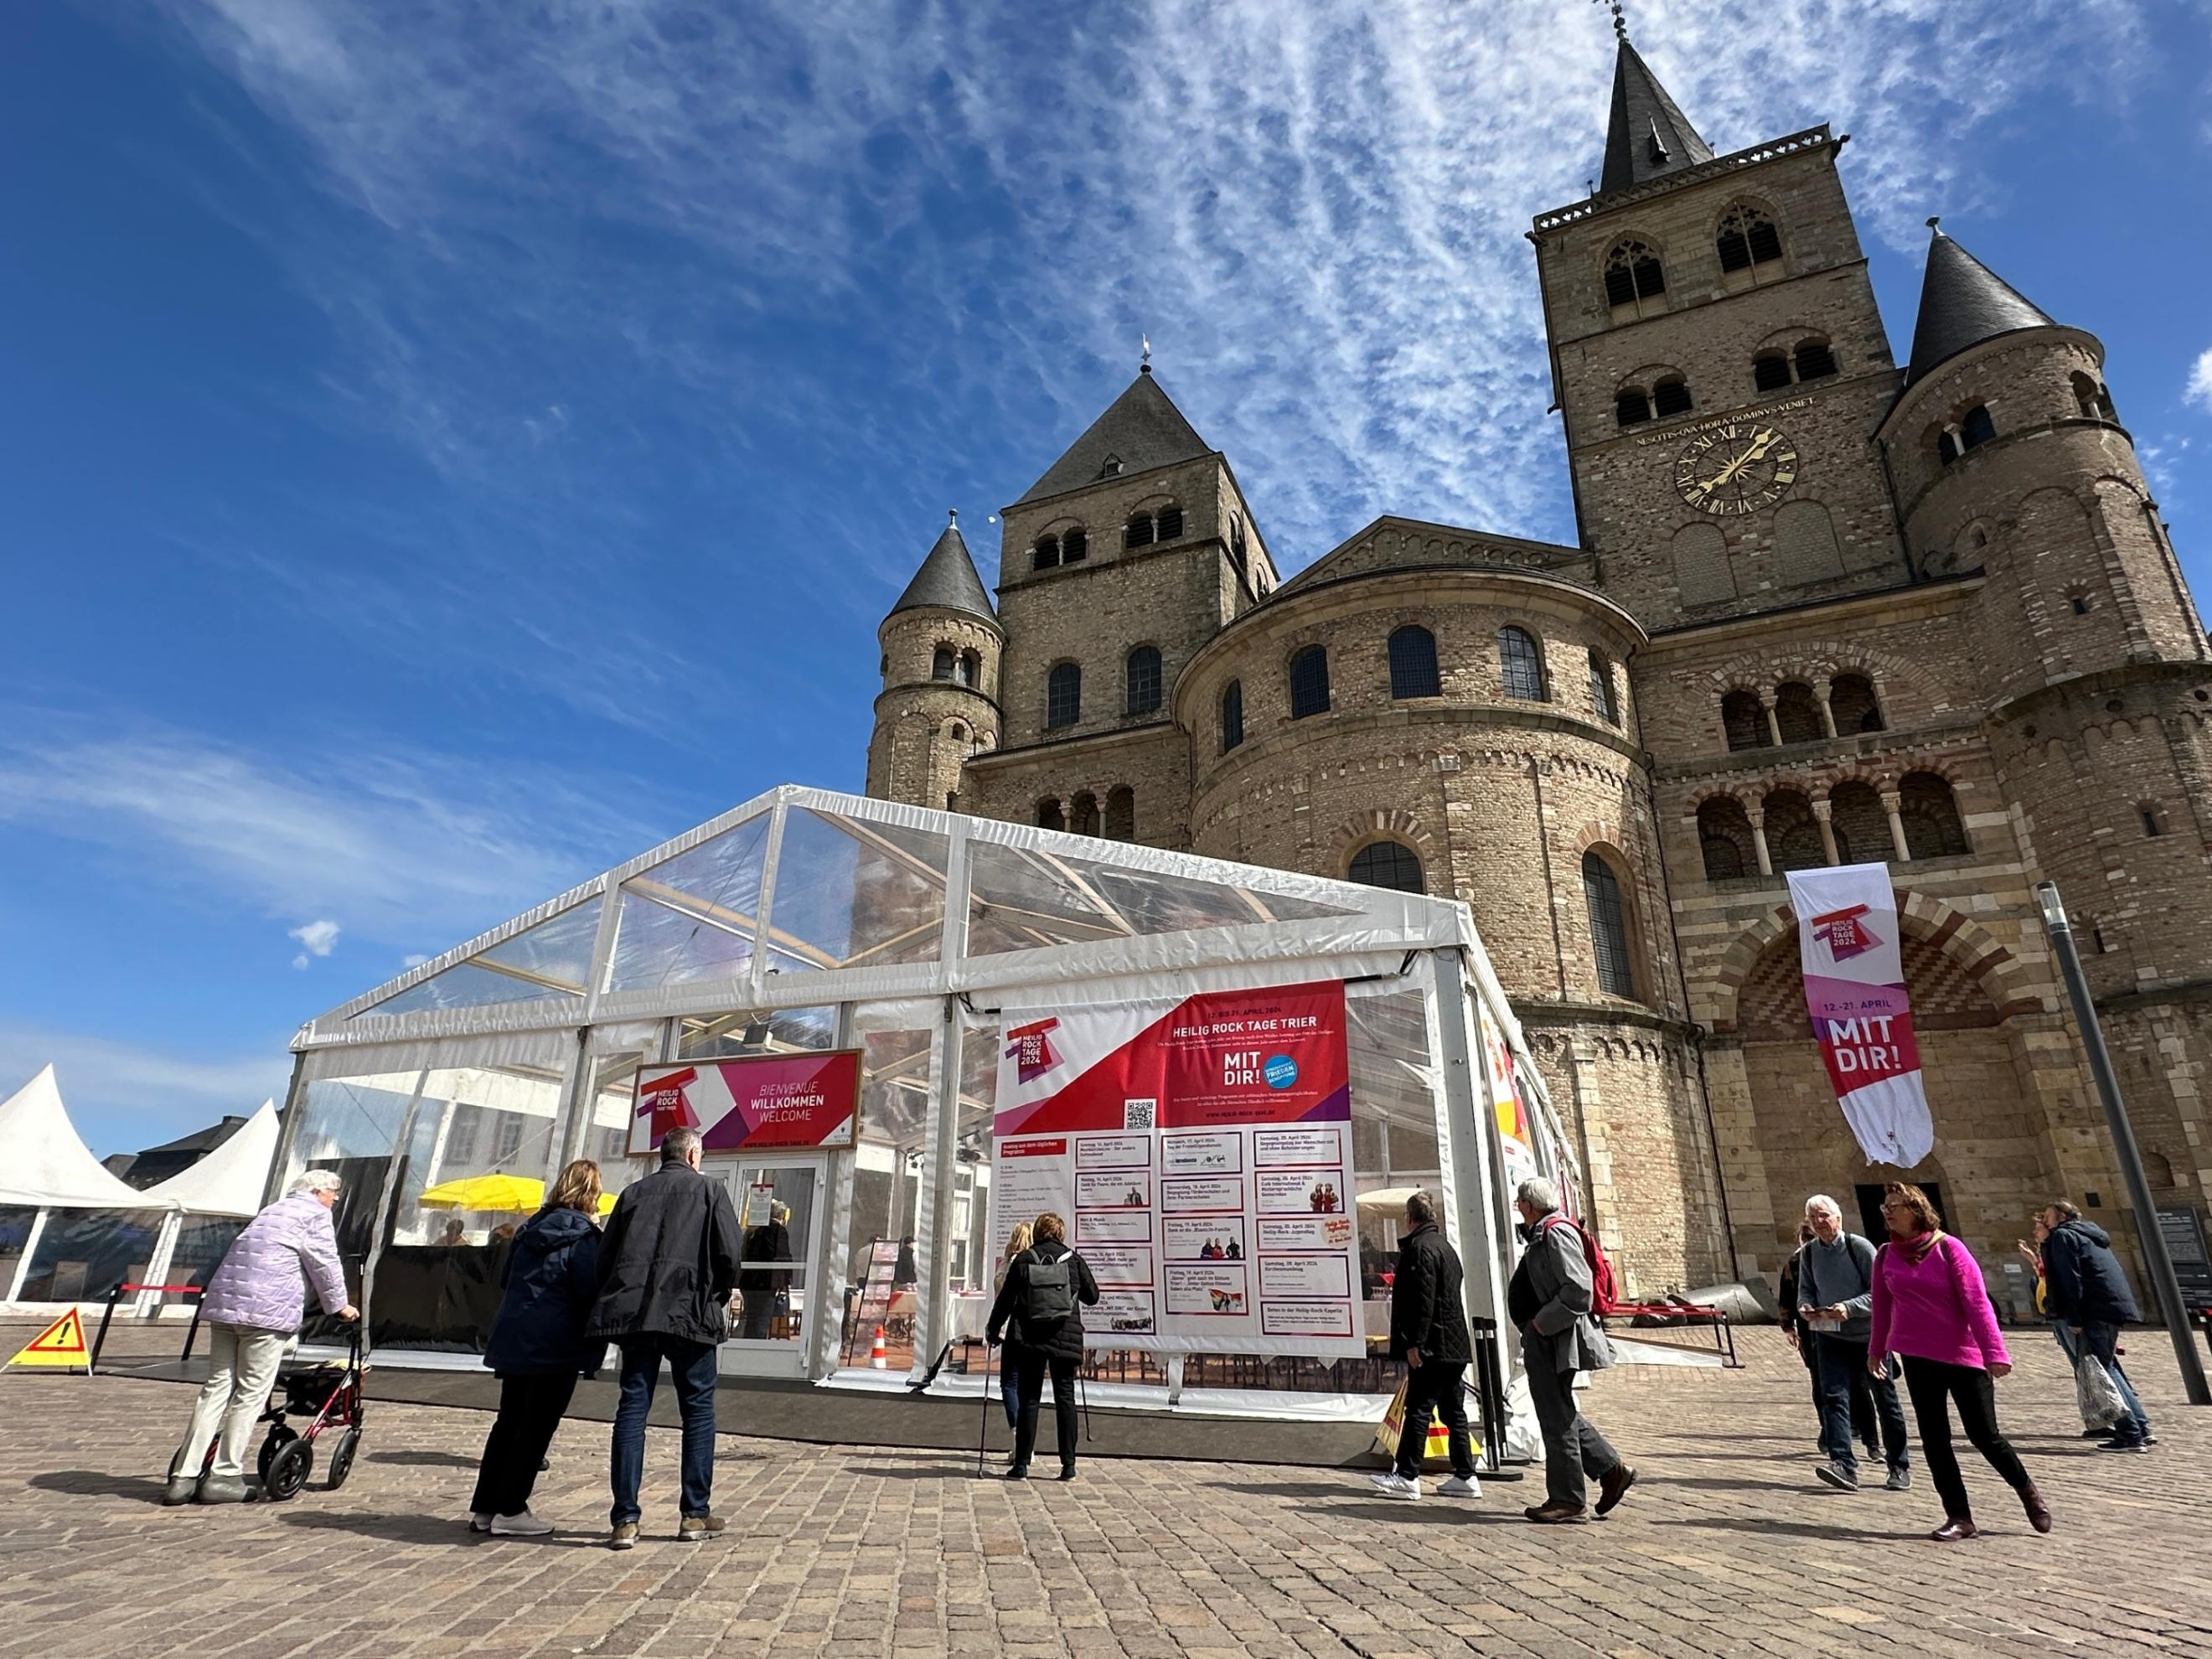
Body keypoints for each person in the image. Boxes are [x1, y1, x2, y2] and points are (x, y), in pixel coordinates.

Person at [1867, 1181, 2050, 1543]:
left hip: (1962, 1355)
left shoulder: (1949, 1248)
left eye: (1895, 1205)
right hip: (1917, 1356)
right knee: (1935, 1440)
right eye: (1885, 1207)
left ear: (1916, 1209)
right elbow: (1882, 1308)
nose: (1888, 1211)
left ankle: (2027, 1491)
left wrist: (1995, 1352)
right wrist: (1876, 1351)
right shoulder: (1886, 1255)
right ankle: (1959, 1516)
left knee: (1985, 1434)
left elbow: (1977, 1302)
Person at [587, 1125, 742, 1550]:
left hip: (637, 1316)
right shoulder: (711, 1192)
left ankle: (625, 1520)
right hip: (690, 1313)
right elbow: (731, 1253)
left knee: (632, 1410)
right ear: (693, 1155)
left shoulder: (632, 1194)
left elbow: (606, 1258)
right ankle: (693, 1514)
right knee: (697, 1412)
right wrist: (717, 1295)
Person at [163, 1170, 358, 1505]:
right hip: (264, 1312)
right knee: (253, 1391)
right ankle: (224, 1475)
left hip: (225, 1306)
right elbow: (325, 1263)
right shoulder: (314, 1214)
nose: (335, 1198)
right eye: (333, 1192)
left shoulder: (271, 1211)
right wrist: (340, 1306)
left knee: (216, 1389)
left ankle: (184, 1475)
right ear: (317, 1191)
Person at [468, 1160, 605, 1537]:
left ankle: (485, 1506)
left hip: (516, 1335)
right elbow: (587, 1289)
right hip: (555, 1343)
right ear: (591, 1194)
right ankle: (511, 1508)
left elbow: (506, 1279)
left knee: (508, 1422)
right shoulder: (584, 1238)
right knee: (536, 1426)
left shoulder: (529, 1230)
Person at [1507, 1177, 1633, 1524]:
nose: (1518, 1207)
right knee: (1559, 1410)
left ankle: (1568, 1499)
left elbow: (1578, 1291)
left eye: (1520, 1202)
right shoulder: (1544, 1232)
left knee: (1555, 1416)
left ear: (1529, 1205)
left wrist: (1540, 1325)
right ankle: (1610, 1470)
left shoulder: (1555, 1232)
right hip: (1546, 1337)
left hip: (1554, 1338)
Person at [1367, 1190, 1480, 1501]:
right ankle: (1466, 1474)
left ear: (1409, 1218)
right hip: (1453, 1343)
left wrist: (1414, 1343)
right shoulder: (1446, 1247)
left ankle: (1406, 1475)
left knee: (1418, 1408)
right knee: (1453, 1410)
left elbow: (1422, 1301)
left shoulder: (1420, 1249)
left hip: (1434, 1344)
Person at [1798, 1194, 1911, 1493]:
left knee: (1886, 1402)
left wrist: (1850, 1307)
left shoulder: (1858, 1247)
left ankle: (1899, 1465)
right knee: (1833, 1398)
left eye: (1823, 1216)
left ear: (1838, 1217)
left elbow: (1881, 1292)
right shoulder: (1809, 1253)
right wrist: (1806, 1306)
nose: (1819, 1222)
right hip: (1830, 1336)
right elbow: (1806, 1288)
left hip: (1869, 1338)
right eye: (1813, 1218)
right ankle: (1844, 1465)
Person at [985, 1211, 1099, 1481]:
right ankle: (1068, 1466)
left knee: (1029, 1398)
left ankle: (1022, 1464)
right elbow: (1092, 1296)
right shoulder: (1074, 1260)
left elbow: (1005, 1300)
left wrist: (992, 1329)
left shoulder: (1025, 1259)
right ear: (1060, 1234)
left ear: (1037, 1232)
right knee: (1065, 1398)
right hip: (1065, 1336)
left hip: (1030, 1337)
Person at [2039, 1200, 2154, 1452]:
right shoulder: (2089, 1234)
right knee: (2109, 1367)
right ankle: (2141, 1427)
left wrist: (2075, 1318)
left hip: (2092, 1310)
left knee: (2103, 1371)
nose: (2045, 1221)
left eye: (2047, 1216)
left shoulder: (2063, 1236)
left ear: (2060, 1216)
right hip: (2110, 1307)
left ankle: (2130, 1434)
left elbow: (2071, 1280)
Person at [992, 1222, 1034, 1457]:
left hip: (1008, 1329)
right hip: (1030, 1328)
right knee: (1026, 1386)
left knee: (1009, 1383)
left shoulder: (1006, 1264)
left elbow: (999, 1294)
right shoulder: (1033, 1262)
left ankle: (1018, 1433)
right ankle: (1025, 1439)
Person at [736, 1200, 794, 1342]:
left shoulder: (755, 1230)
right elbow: (782, 1256)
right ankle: (755, 1349)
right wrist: (787, 1280)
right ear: (782, 1216)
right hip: (766, 1283)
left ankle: (746, 1345)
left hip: (750, 1281)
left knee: (751, 1318)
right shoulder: (778, 1231)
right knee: (762, 1320)